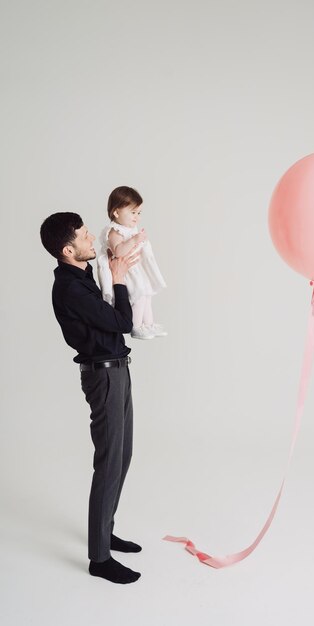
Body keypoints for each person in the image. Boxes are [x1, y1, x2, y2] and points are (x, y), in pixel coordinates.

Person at [40, 212, 142, 584]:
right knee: (109, 461)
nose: (91, 239)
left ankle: (105, 531)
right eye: (84, 236)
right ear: (68, 250)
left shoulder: (82, 276)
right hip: (103, 376)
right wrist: (118, 281)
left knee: (123, 455)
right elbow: (121, 323)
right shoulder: (69, 288)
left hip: (118, 369)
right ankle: (99, 558)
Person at [97, 186, 167, 340]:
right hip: (126, 271)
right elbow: (118, 251)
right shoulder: (114, 231)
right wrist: (135, 239)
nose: (137, 217)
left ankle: (148, 324)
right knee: (139, 295)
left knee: (147, 295)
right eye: (133, 212)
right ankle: (135, 326)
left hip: (136, 269)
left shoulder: (130, 229)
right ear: (116, 212)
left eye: (139, 213)